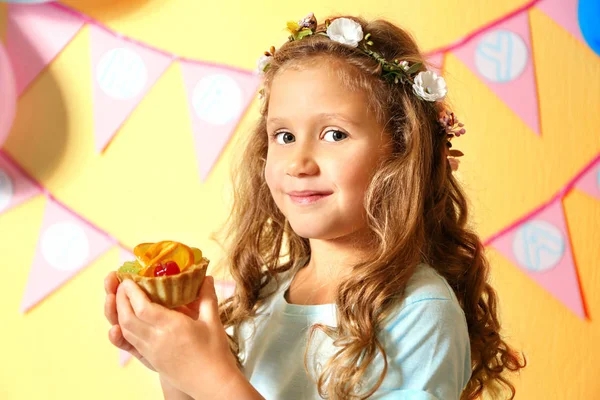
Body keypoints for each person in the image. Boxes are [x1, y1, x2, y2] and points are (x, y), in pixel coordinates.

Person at [104, 13, 526, 400]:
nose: (299, 163)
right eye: (283, 136)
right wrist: (175, 362)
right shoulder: (267, 297)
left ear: (401, 151)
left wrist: (212, 378)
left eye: (334, 134)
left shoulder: (419, 313)